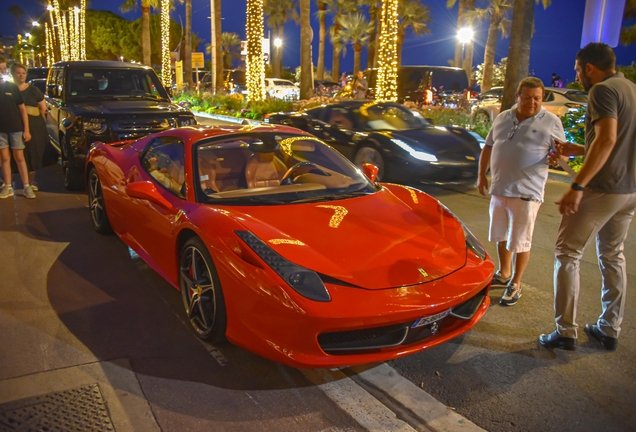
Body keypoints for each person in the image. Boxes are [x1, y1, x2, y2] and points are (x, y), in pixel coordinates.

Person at [539, 43, 636, 351]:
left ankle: (565, 330)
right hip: (630, 190)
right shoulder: (632, 89)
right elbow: (620, 140)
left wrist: (577, 186)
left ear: (590, 68)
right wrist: (580, 149)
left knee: (567, 254)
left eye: (578, 70)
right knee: (612, 255)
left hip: (604, 187)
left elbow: (607, 139)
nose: (577, 76)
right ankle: (609, 328)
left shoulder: (602, 91)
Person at [477, 77, 566, 307]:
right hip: (500, 188)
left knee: (521, 241)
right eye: (527, 97)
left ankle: (516, 283)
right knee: (500, 235)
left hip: (527, 192)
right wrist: (481, 176)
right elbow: (489, 146)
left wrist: (558, 160)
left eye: (537, 98)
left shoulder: (551, 121)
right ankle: (504, 273)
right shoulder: (504, 117)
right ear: (518, 96)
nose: (532, 102)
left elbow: (562, 155)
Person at [11, 63, 48, 192]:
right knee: (17, 153)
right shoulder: (8, 90)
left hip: (34, 126)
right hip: (14, 125)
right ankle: (14, 181)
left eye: (23, 73)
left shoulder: (33, 90)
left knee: (33, 152)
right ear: (13, 74)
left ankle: (31, 181)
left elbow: (43, 108)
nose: (21, 75)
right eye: (18, 72)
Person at [0, 57, 33, 199]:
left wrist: (26, 129)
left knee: (19, 157)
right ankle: (8, 186)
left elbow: (22, 109)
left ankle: (26, 186)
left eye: (4, 69)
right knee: (4, 157)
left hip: (16, 128)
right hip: (1, 129)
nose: (3, 72)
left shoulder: (12, 87)